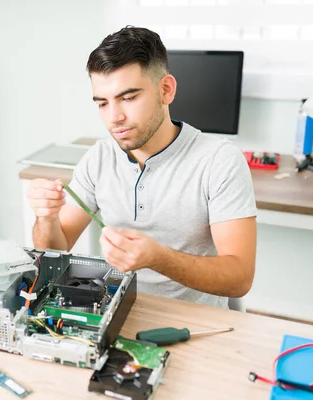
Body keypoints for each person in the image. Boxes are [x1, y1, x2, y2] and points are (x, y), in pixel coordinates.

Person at [26, 26, 257, 308]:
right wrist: (46, 218)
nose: (114, 118)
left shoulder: (219, 161)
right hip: (114, 312)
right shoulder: (98, 157)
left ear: (166, 90)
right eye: (102, 103)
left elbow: (240, 279)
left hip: (193, 323)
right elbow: (56, 248)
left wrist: (158, 258)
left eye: (128, 98)